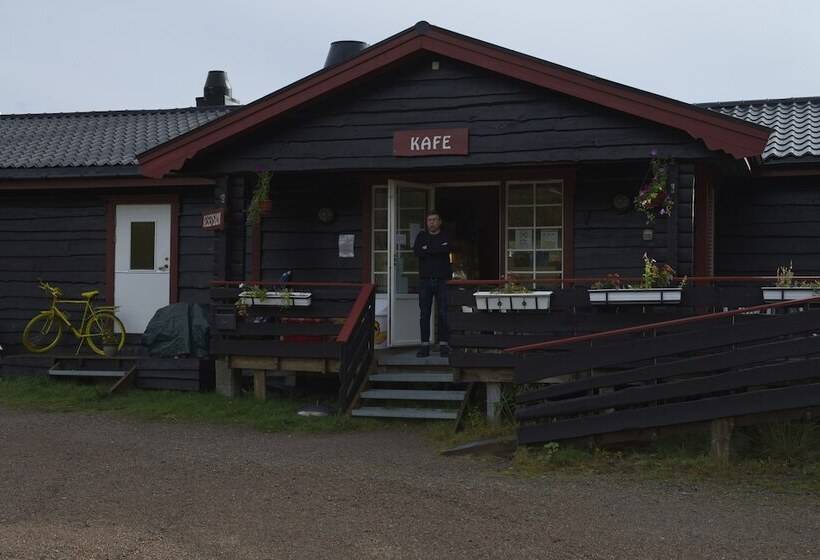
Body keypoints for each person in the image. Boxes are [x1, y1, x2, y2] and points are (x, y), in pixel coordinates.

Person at [413, 210, 452, 358]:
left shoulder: (446, 236)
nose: (432, 222)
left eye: (435, 219)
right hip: (425, 281)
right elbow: (417, 252)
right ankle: (424, 345)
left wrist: (428, 249)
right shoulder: (421, 236)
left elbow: (446, 249)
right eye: (429, 220)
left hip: (443, 280)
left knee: (444, 313)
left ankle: (444, 345)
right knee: (424, 314)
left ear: (440, 222)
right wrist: (436, 250)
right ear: (427, 222)